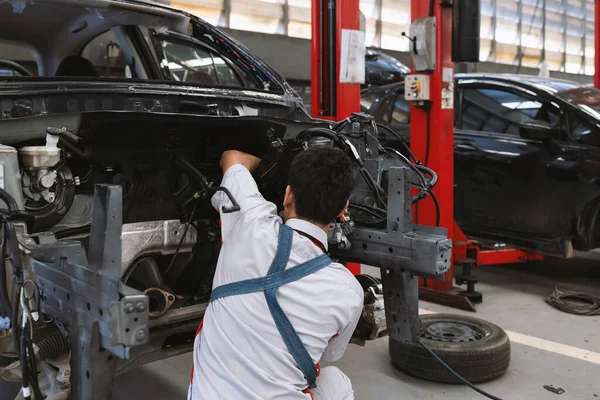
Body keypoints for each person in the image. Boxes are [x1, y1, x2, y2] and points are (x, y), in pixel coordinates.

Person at [188, 146, 364, 400]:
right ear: (342, 209)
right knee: (336, 379)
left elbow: (232, 157)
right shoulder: (349, 291)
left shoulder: (248, 221)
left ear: (288, 195)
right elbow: (326, 355)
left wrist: (276, 166)